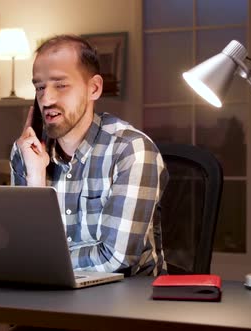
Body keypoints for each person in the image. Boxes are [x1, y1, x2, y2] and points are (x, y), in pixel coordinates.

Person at [10, 35, 168, 276]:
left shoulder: (131, 150)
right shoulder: (26, 152)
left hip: (125, 301)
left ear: (93, 88)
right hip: (50, 297)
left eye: (60, 85)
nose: (46, 99)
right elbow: (19, 248)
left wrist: (42, 259)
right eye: (40, 87)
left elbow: (116, 258)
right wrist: (35, 180)